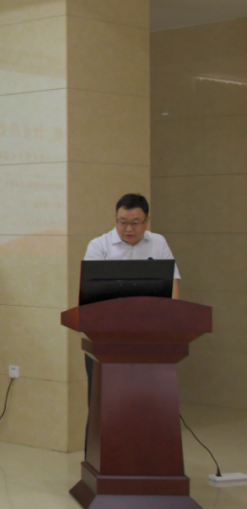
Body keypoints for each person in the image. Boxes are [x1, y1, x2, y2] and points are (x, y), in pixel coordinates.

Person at [81, 193, 181, 456]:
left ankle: (148, 461)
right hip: (106, 340)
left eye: (135, 223)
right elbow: (91, 297)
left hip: (150, 339)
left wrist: (171, 322)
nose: (128, 228)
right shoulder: (99, 246)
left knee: (149, 405)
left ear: (146, 221)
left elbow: (172, 287)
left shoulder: (158, 243)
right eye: (122, 222)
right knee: (106, 405)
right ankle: (98, 462)